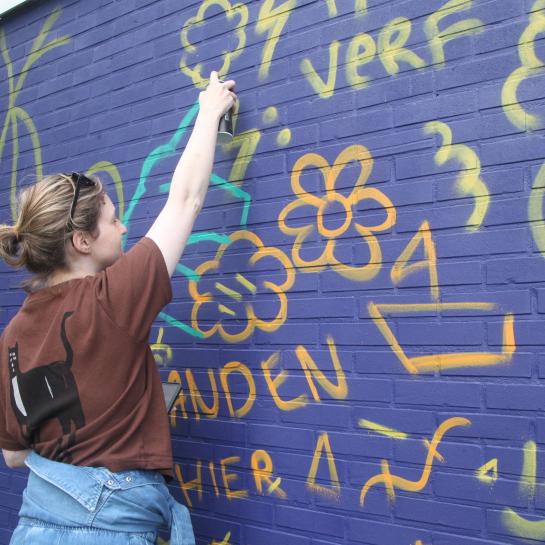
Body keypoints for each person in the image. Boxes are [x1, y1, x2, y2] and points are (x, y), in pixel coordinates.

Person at [0, 71, 236, 545]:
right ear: (82, 241)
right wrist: (210, 110)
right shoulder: (112, 298)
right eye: (112, 220)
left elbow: (14, 455)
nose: (124, 228)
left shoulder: (12, 335)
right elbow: (185, 200)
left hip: (35, 527)